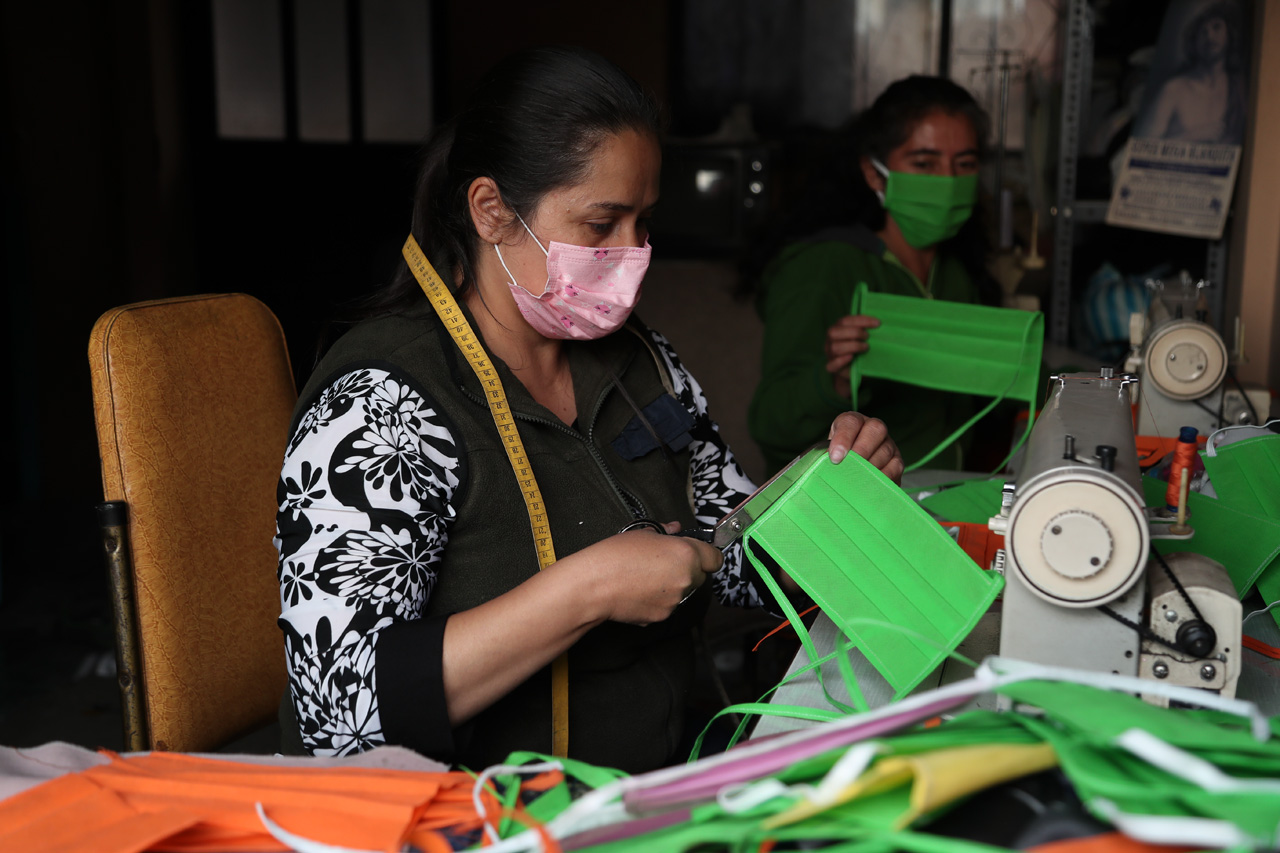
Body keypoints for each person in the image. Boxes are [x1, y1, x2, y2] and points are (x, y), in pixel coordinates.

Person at [274, 46, 903, 773]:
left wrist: (824, 494)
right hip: (477, 817)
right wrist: (588, 588)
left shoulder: (642, 362)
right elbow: (338, 712)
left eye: (642, 221)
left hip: (653, 781)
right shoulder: (381, 409)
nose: (633, 252)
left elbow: (735, 556)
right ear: (491, 212)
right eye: (601, 224)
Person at [747, 75, 997, 477]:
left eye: (964, 164)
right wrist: (835, 381)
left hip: (948, 496)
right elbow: (771, 426)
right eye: (924, 163)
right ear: (875, 174)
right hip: (861, 512)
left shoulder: (955, 275)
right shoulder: (823, 268)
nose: (947, 182)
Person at [1134, 1, 1247, 145]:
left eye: (1216, 27)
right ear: (1194, 41)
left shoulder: (1239, 88)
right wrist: (1192, 136)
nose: (1210, 36)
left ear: (1230, 34)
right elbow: (1143, 147)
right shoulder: (1174, 89)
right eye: (1203, 31)